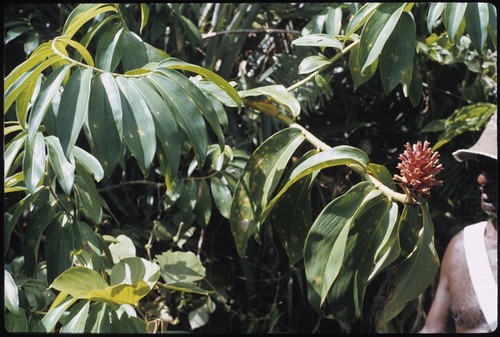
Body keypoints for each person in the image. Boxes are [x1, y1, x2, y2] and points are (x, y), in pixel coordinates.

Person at [419, 112, 497, 333]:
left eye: (495, 167)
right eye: (478, 167)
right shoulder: (464, 247)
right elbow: (433, 330)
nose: (481, 179)